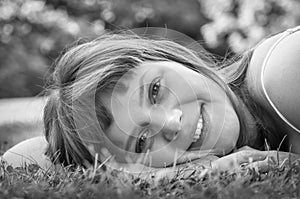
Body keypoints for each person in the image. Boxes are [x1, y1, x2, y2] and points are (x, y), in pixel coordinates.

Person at [2, 26, 300, 174]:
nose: (172, 122)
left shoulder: (283, 74)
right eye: (142, 142)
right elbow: (18, 161)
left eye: (155, 91)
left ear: (166, 57)